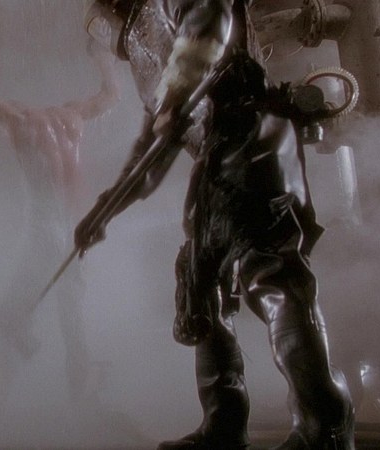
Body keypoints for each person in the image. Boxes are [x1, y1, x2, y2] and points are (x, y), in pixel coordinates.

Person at [76, 1, 355, 449]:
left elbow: (208, 21)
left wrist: (172, 101)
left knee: (272, 276)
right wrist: (104, 210)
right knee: (203, 287)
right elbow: (151, 154)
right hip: (214, 158)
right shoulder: (150, 55)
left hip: (253, 134)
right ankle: (223, 427)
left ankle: (326, 426)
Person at [0, 26, 119, 429]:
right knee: (68, 317)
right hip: (68, 222)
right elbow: (110, 94)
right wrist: (102, 57)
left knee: (35, 316)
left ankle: (0, 408)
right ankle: (68, 399)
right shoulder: (70, 115)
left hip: (53, 223)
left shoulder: (21, 117)